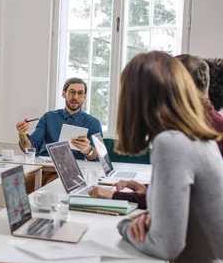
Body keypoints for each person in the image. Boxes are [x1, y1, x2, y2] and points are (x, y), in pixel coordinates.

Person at [115, 51, 223, 263]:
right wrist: (158, 218)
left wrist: (126, 227)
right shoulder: (198, 136)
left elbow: (167, 246)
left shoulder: (170, 143)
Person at [90, 54, 223, 204]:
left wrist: (116, 197)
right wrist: (149, 189)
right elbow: (182, 192)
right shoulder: (206, 125)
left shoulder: (182, 138)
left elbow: (172, 203)